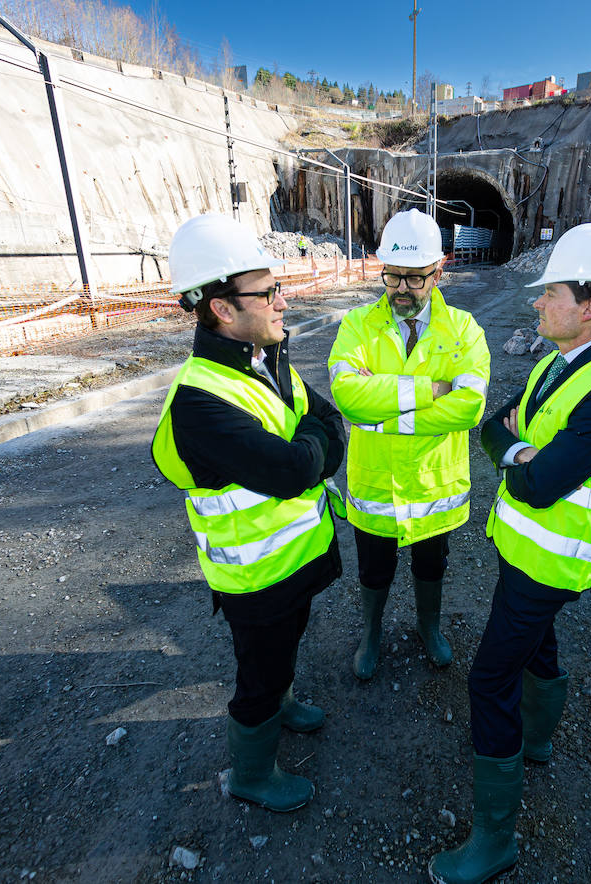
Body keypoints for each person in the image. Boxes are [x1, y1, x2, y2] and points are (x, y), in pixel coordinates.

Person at [428, 223, 591, 884]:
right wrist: (518, 450)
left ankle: (495, 841)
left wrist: (518, 455)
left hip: (554, 561)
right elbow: (497, 427)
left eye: (549, 293)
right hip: (523, 550)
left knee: (488, 678)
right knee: (535, 644)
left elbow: (538, 481)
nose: (536, 303)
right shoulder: (559, 365)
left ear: (587, 306)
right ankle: (540, 739)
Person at [150, 213, 345, 813]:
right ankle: (252, 776)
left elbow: (328, 420)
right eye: (268, 293)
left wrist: (312, 448)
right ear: (222, 310)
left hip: (296, 560)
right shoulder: (200, 402)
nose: (283, 301)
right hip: (256, 578)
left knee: (286, 650)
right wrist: (313, 451)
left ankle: (283, 703)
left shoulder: (264, 358)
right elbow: (294, 468)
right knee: (256, 679)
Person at [327, 209, 490, 680]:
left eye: (414, 279)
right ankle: (372, 632)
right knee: (373, 569)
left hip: (433, 486)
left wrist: (383, 416)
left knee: (431, 564)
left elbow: (469, 408)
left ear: (439, 273)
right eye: (392, 276)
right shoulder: (357, 324)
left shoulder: (464, 329)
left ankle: (429, 627)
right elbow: (349, 398)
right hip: (376, 485)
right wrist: (430, 389)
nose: (401, 288)